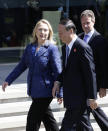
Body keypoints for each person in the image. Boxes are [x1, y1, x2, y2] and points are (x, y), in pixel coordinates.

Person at [2, 19, 62, 131]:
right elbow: (21, 66)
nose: (42, 32)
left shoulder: (52, 49)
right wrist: (8, 80)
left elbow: (58, 72)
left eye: (45, 30)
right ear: (35, 31)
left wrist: (60, 92)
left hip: (46, 91)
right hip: (33, 90)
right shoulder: (30, 48)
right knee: (48, 120)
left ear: (49, 32)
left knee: (32, 121)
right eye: (40, 29)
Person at [52, 18, 98, 131]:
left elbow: (90, 73)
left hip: (80, 98)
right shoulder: (65, 48)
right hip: (71, 98)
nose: (59, 35)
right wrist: (58, 82)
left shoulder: (82, 47)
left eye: (61, 32)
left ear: (71, 31)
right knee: (84, 127)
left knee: (67, 127)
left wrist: (92, 97)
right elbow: (66, 70)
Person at [79, 9, 108, 130]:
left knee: (84, 110)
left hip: (93, 83)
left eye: (88, 23)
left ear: (93, 22)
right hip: (80, 82)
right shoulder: (79, 38)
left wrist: (103, 86)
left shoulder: (100, 40)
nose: (85, 26)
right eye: (83, 23)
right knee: (90, 108)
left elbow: (105, 65)